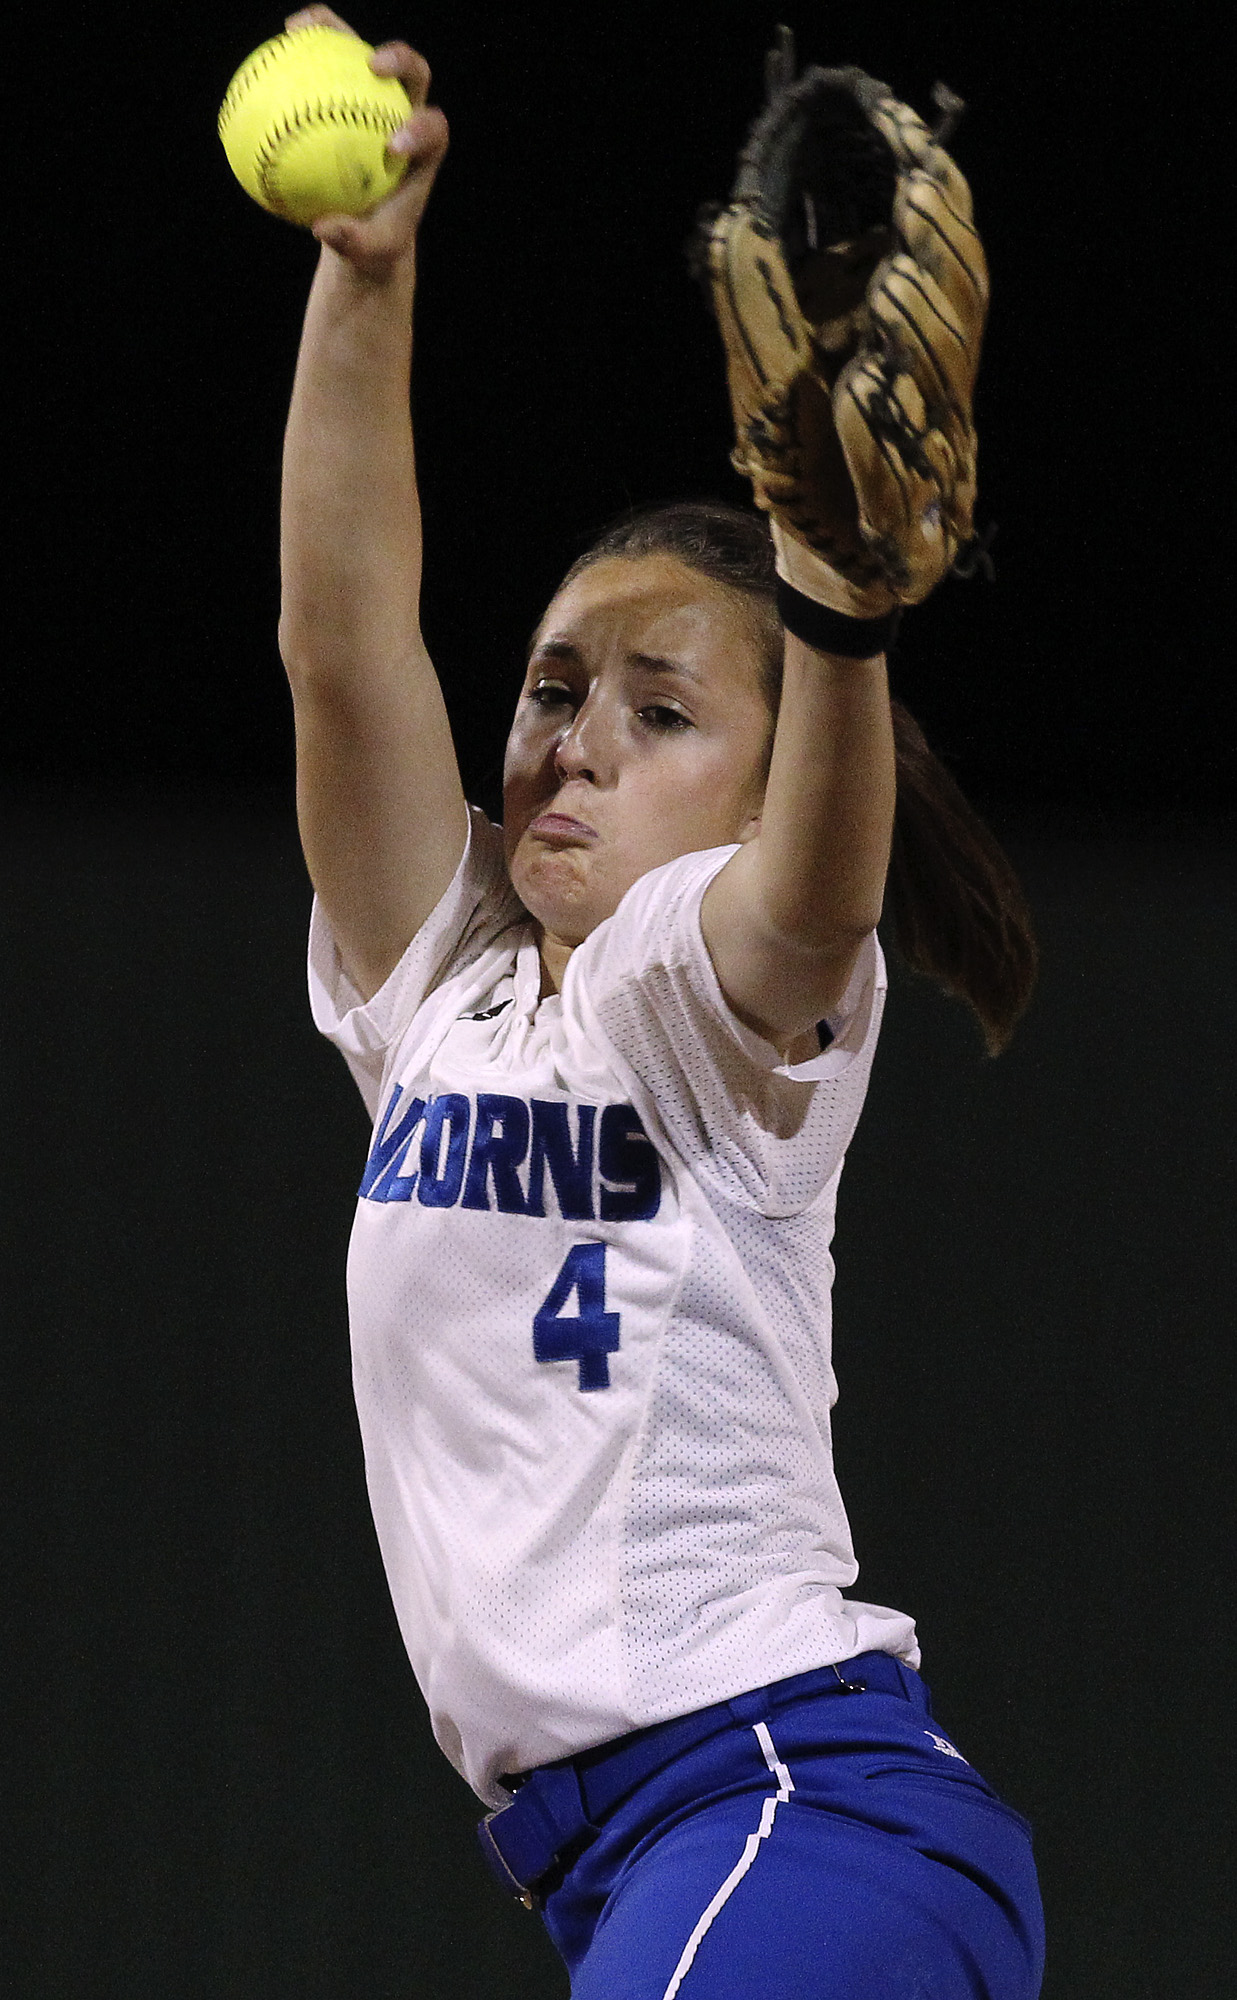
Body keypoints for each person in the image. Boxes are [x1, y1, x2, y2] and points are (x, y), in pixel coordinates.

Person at [277, 9, 1046, 1994]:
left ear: (767, 785)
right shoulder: (441, 998)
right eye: (551, 688)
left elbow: (815, 895)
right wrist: (367, 280)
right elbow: (342, 650)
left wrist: (839, 622)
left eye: (660, 707)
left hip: (793, 1802)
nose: (576, 737)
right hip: (658, 1867)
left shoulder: (699, 994)